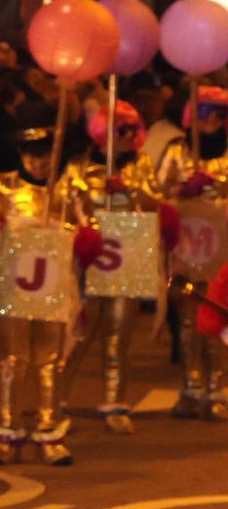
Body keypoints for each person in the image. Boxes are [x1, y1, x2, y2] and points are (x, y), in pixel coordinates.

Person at [0, 102, 77, 465]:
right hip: (13, 287)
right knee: (12, 361)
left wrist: (77, 237)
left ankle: (48, 430)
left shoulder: (67, 189)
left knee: (49, 361)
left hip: (53, 288)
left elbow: (87, 230)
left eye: (46, 154)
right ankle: (8, 429)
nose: (39, 163)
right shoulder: (4, 184)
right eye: (31, 155)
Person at [56, 100, 169, 433]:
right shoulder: (78, 166)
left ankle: (114, 401)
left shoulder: (142, 165)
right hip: (90, 260)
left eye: (134, 129)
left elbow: (157, 203)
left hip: (128, 257)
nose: (128, 136)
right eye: (121, 129)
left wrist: (131, 191)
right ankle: (56, 397)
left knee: (118, 335)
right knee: (79, 333)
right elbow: (63, 205)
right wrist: (89, 202)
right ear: (102, 133)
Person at [155, 86, 228, 421]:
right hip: (188, 248)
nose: (212, 119)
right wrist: (181, 190)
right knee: (187, 322)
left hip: (223, 252)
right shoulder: (176, 151)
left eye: (220, 113)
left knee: (218, 321)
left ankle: (218, 389)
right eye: (205, 112)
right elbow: (157, 192)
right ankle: (191, 387)